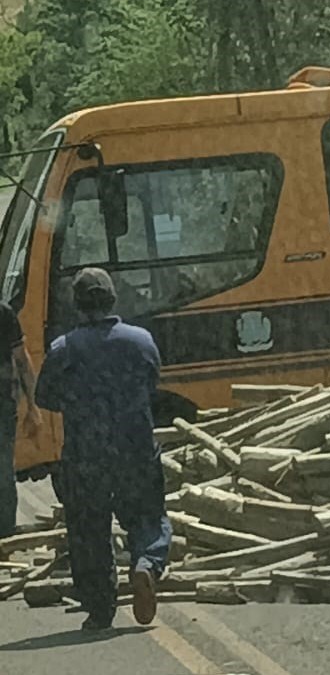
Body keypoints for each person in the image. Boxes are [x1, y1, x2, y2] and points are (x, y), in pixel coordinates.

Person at [35, 267, 172, 631]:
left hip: (85, 455)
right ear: (113, 300)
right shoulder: (141, 341)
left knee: (89, 530)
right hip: (135, 448)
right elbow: (153, 382)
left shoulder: (64, 350)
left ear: (77, 306)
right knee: (147, 516)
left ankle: (99, 609)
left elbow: (43, 396)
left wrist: (81, 400)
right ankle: (146, 563)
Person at [0, 302, 42, 539]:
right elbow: (23, 361)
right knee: (3, 473)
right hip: (2, 406)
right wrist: (33, 406)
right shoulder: (3, 313)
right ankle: (5, 540)